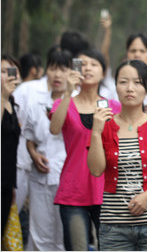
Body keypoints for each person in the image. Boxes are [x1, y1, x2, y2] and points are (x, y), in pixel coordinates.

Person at [87, 60, 147, 250]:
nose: (130, 88)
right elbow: (96, 170)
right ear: (115, 87)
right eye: (123, 82)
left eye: (137, 82)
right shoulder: (103, 125)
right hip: (113, 227)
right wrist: (96, 132)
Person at [49, 48, 121, 251]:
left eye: (94, 64)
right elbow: (54, 129)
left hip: (108, 192)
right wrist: (67, 92)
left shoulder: (114, 107)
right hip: (73, 191)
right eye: (83, 64)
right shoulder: (64, 103)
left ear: (103, 71)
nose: (88, 68)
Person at [22, 49, 71, 250]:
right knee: (38, 233)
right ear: (46, 72)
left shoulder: (76, 103)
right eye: (53, 69)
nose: (57, 75)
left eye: (62, 69)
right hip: (39, 178)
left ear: (71, 72)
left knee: (63, 234)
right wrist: (34, 155)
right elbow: (29, 139)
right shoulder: (36, 104)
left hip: (66, 178)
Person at [1, 55, 21, 236]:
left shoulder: (12, 103)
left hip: (7, 182)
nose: (7, 76)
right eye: (2, 71)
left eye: (11, 71)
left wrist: (12, 185)